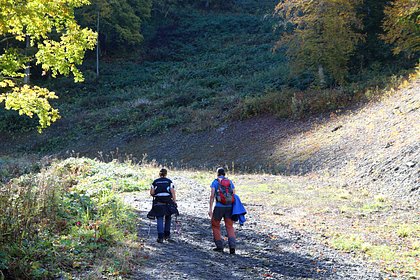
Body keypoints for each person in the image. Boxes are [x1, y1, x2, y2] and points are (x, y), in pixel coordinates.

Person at [208, 167, 236, 254]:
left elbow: (212, 195)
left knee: (215, 225)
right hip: (229, 207)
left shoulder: (215, 182)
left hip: (219, 207)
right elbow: (234, 194)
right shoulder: (229, 182)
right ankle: (232, 248)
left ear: (217, 174)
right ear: (224, 174)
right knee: (229, 226)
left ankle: (219, 246)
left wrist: (210, 208)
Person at [149, 168, 178, 243]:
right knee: (168, 217)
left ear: (159, 174)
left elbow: (152, 193)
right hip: (168, 202)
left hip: (158, 202)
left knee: (159, 218)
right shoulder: (169, 181)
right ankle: (167, 235)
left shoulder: (155, 182)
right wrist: (174, 202)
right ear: (166, 174)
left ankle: (160, 237)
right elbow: (173, 192)